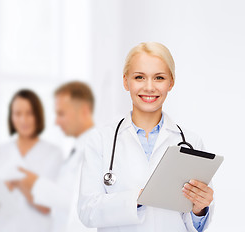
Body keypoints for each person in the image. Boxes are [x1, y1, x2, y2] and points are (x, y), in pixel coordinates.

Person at [78, 42, 214, 232]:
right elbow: (87, 211)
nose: (149, 87)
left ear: (171, 83)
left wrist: (200, 209)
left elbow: (196, 224)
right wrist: (138, 199)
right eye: (139, 77)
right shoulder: (101, 141)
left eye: (159, 78)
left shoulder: (191, 142)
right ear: (126, 81)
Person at [17, 81, 96, 232]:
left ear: (84, 111)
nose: (56, 122)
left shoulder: (96, 149)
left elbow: (79, 203)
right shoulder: (77, 149)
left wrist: (36, 183)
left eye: (61, 114)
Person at [0, 89, 64, 232]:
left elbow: (48, 207)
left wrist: (20, 184)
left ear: (38, 116)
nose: (23, 120)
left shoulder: (53, 154)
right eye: (18, 114)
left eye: (29, 113)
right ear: (11, 117)